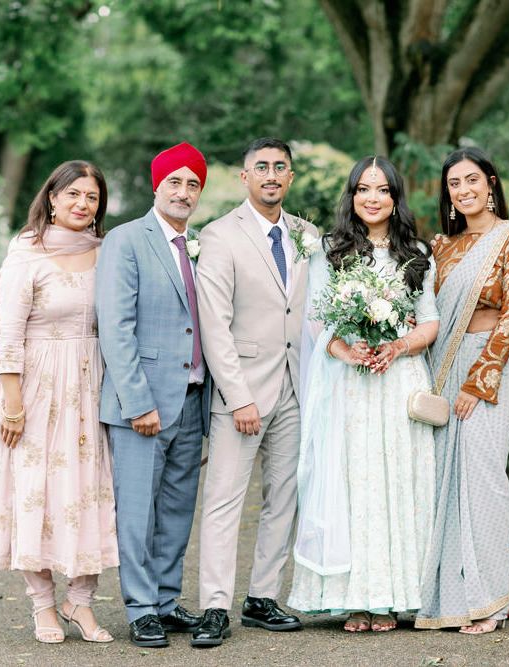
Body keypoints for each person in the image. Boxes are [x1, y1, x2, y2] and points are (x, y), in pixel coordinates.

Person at [287, 156, 440, 633]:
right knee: (353, 483)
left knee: (398, 481)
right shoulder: (329, 250)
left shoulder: (416, 253)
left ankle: (393, 597)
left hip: (400, 381)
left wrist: (396, 345)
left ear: (396, 199)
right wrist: (346, 350)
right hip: (350, 384)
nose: (372, 198)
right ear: (351, 196)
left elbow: (430, 319)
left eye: (382, 189)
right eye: (362, 189)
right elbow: (316, 318)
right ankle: (353, 598)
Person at [414, 147, 509, 635]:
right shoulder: (441, 247)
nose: (463, 190)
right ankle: (448, 598)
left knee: (483, 479)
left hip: (494, 366)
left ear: (491, 183)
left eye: (471, 179)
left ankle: (491, 600)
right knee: (442, 484)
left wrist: (481, 379)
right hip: (442, 367)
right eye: (454, 183)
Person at [0, 160, 118, 644]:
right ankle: (42, 607)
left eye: (92, 197)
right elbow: (8, 335)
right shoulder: (26, 253)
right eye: (74, 194)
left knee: (88, 491)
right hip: (35, 389)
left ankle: (80, 602)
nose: (83, 204)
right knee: (35, 491)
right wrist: (13, 406)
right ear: (52, 198)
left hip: (91, 386)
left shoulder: (106, 252)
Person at [192, 137, 317, 648]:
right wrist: (237, 395)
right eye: (261, 167)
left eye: (280, 167)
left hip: (296, 386)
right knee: (224, 498)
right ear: (245, 177)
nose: (271, 174)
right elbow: (214, 323)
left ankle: (262, 596)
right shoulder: (221, 235)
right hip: (241, 390)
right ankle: (214, 606)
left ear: (290, 178)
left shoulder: (309, 235)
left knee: (283, 496)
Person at [96, 142, 211, 648]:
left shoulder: (200, 244)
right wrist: (137, 402)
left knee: (177, 509)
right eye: (175, 182)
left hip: (192, 399)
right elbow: (115, 327)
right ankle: (141, 608)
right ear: (156, 185)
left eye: (193, 184)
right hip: (142, 404)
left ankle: (166, 601)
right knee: (138, 512)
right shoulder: (126, 240)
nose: (183, 192)